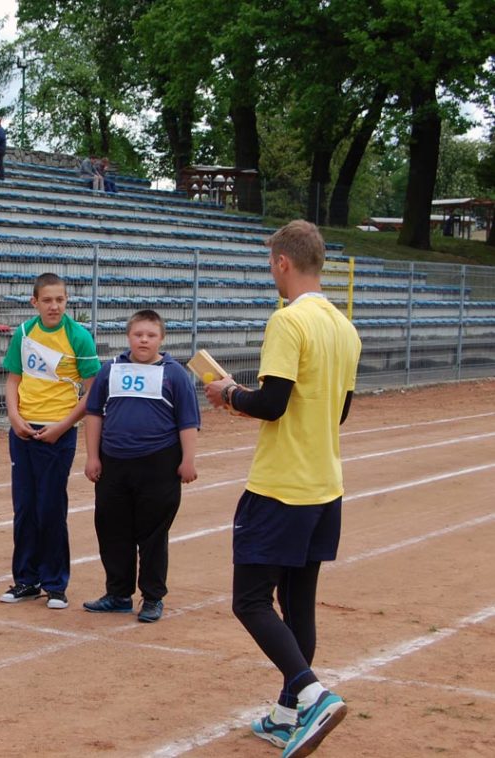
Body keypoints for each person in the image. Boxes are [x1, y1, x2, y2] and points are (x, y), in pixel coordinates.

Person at [204, 220, 361, 757]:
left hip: (281, 486)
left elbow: (271, 403)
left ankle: (313, 695)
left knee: (249, 600)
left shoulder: (289, 321)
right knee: (298, 604)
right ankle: (286, 713)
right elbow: (337, 411)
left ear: (282, 263)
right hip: (324, 484)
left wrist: (228, 393)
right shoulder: (345, 328)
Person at [82, 310, 200, 623]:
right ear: (128, 337)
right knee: (112, 531)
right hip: (114, 463)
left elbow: (188, 422)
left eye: (150, 335)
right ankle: (118, 594)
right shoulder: (110, 370)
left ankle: (152, 597)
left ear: (161, 338)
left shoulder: (174, 374)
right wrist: (92, 456)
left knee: (152, 535)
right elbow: (94, 414)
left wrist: (188, 460)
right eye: (138, 334)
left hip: (158, 463)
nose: (144, 340)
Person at [0, 272, 100, 609]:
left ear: (66, 301)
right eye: (47, 300)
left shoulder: (79, 337)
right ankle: (26, 580)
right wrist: (14, 417)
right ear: (35, 302)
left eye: (59, 299)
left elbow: (92, 391)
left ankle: (56, 583)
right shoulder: (25, 332)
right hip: (23, 432)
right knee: (25, 508)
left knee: (51, 508)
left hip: (57, 433)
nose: (54, 306)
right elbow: (14, 378)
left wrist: (63, 425)